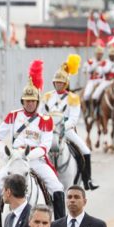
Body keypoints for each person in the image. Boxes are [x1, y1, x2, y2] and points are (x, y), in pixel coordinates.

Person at [0, 64, 65, 227]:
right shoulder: (13, 115)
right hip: (15, 159)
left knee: (57, 187)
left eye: (33, 101)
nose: (30, 103)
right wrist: (5, 154)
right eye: (27, 101)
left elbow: (45, 145)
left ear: (37, 102)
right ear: (22, 101)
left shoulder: (45, 120)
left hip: (36, 159)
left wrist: (29, 155)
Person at [40, 58, 99, 191]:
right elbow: (41, 114)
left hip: (66, 130)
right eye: (57, 83)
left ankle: (87, 180)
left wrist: (61, 128)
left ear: (66, 83)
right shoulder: (48, 96)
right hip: (49, 131)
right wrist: (47, 127)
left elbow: (73, 119)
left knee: (85, 151)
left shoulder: (73, 98)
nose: (59, 85)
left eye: (61, 83)